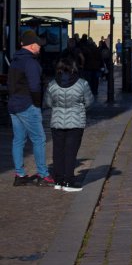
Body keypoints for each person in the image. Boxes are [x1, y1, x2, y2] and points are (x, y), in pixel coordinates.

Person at [8, 30, 54, 187]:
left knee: (18, 140)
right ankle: (43, 175)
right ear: (32, 45)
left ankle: (19, 174)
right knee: (39, 139)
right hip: (27, 104)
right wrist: (37, 104)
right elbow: (35, 86)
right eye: (38, 45)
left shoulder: (15, 60)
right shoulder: (31, 63)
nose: (40, 48)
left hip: (14, 104)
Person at [45, 57, 94, 191]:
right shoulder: (82, 84)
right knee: (70, 152)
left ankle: (58, 180)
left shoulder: (52, 84)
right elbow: (89, 102)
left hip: (57, 122)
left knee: (58, 151)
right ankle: (69, 181)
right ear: (74, 68)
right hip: (76, 122)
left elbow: (48, 103)